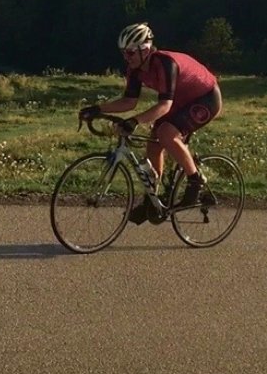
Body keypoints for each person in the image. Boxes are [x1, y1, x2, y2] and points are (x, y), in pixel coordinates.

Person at [79, 22, 222, 224]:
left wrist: (135, 121)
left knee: (165, 134)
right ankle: (152, 201)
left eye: (129, 53)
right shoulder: (135, 70)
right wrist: (98, 109)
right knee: (153, 147)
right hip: (180, 101)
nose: (126, 58)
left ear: (144, 50)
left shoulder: (165, 64)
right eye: (123, 53)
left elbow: (164, 105)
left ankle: (195, 181)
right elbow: (129, 101)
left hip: (205, 98)